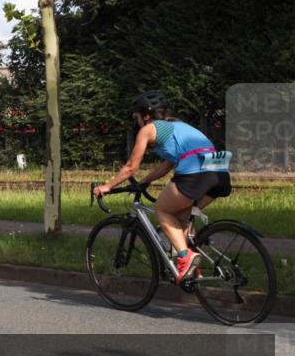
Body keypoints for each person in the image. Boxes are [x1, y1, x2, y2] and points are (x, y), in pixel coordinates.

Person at [92, 90, 232, 284]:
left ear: (146, 115)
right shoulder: (179, 126)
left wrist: (107, 186)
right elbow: (167, 164)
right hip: (220, 173)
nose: (137, 121)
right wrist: (145, 182)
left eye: (137, 116)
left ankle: (186, 258)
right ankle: (193, 268)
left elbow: (131, 166)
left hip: (196, 174)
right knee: (180, 220)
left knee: (162, 209)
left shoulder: (149, 129)